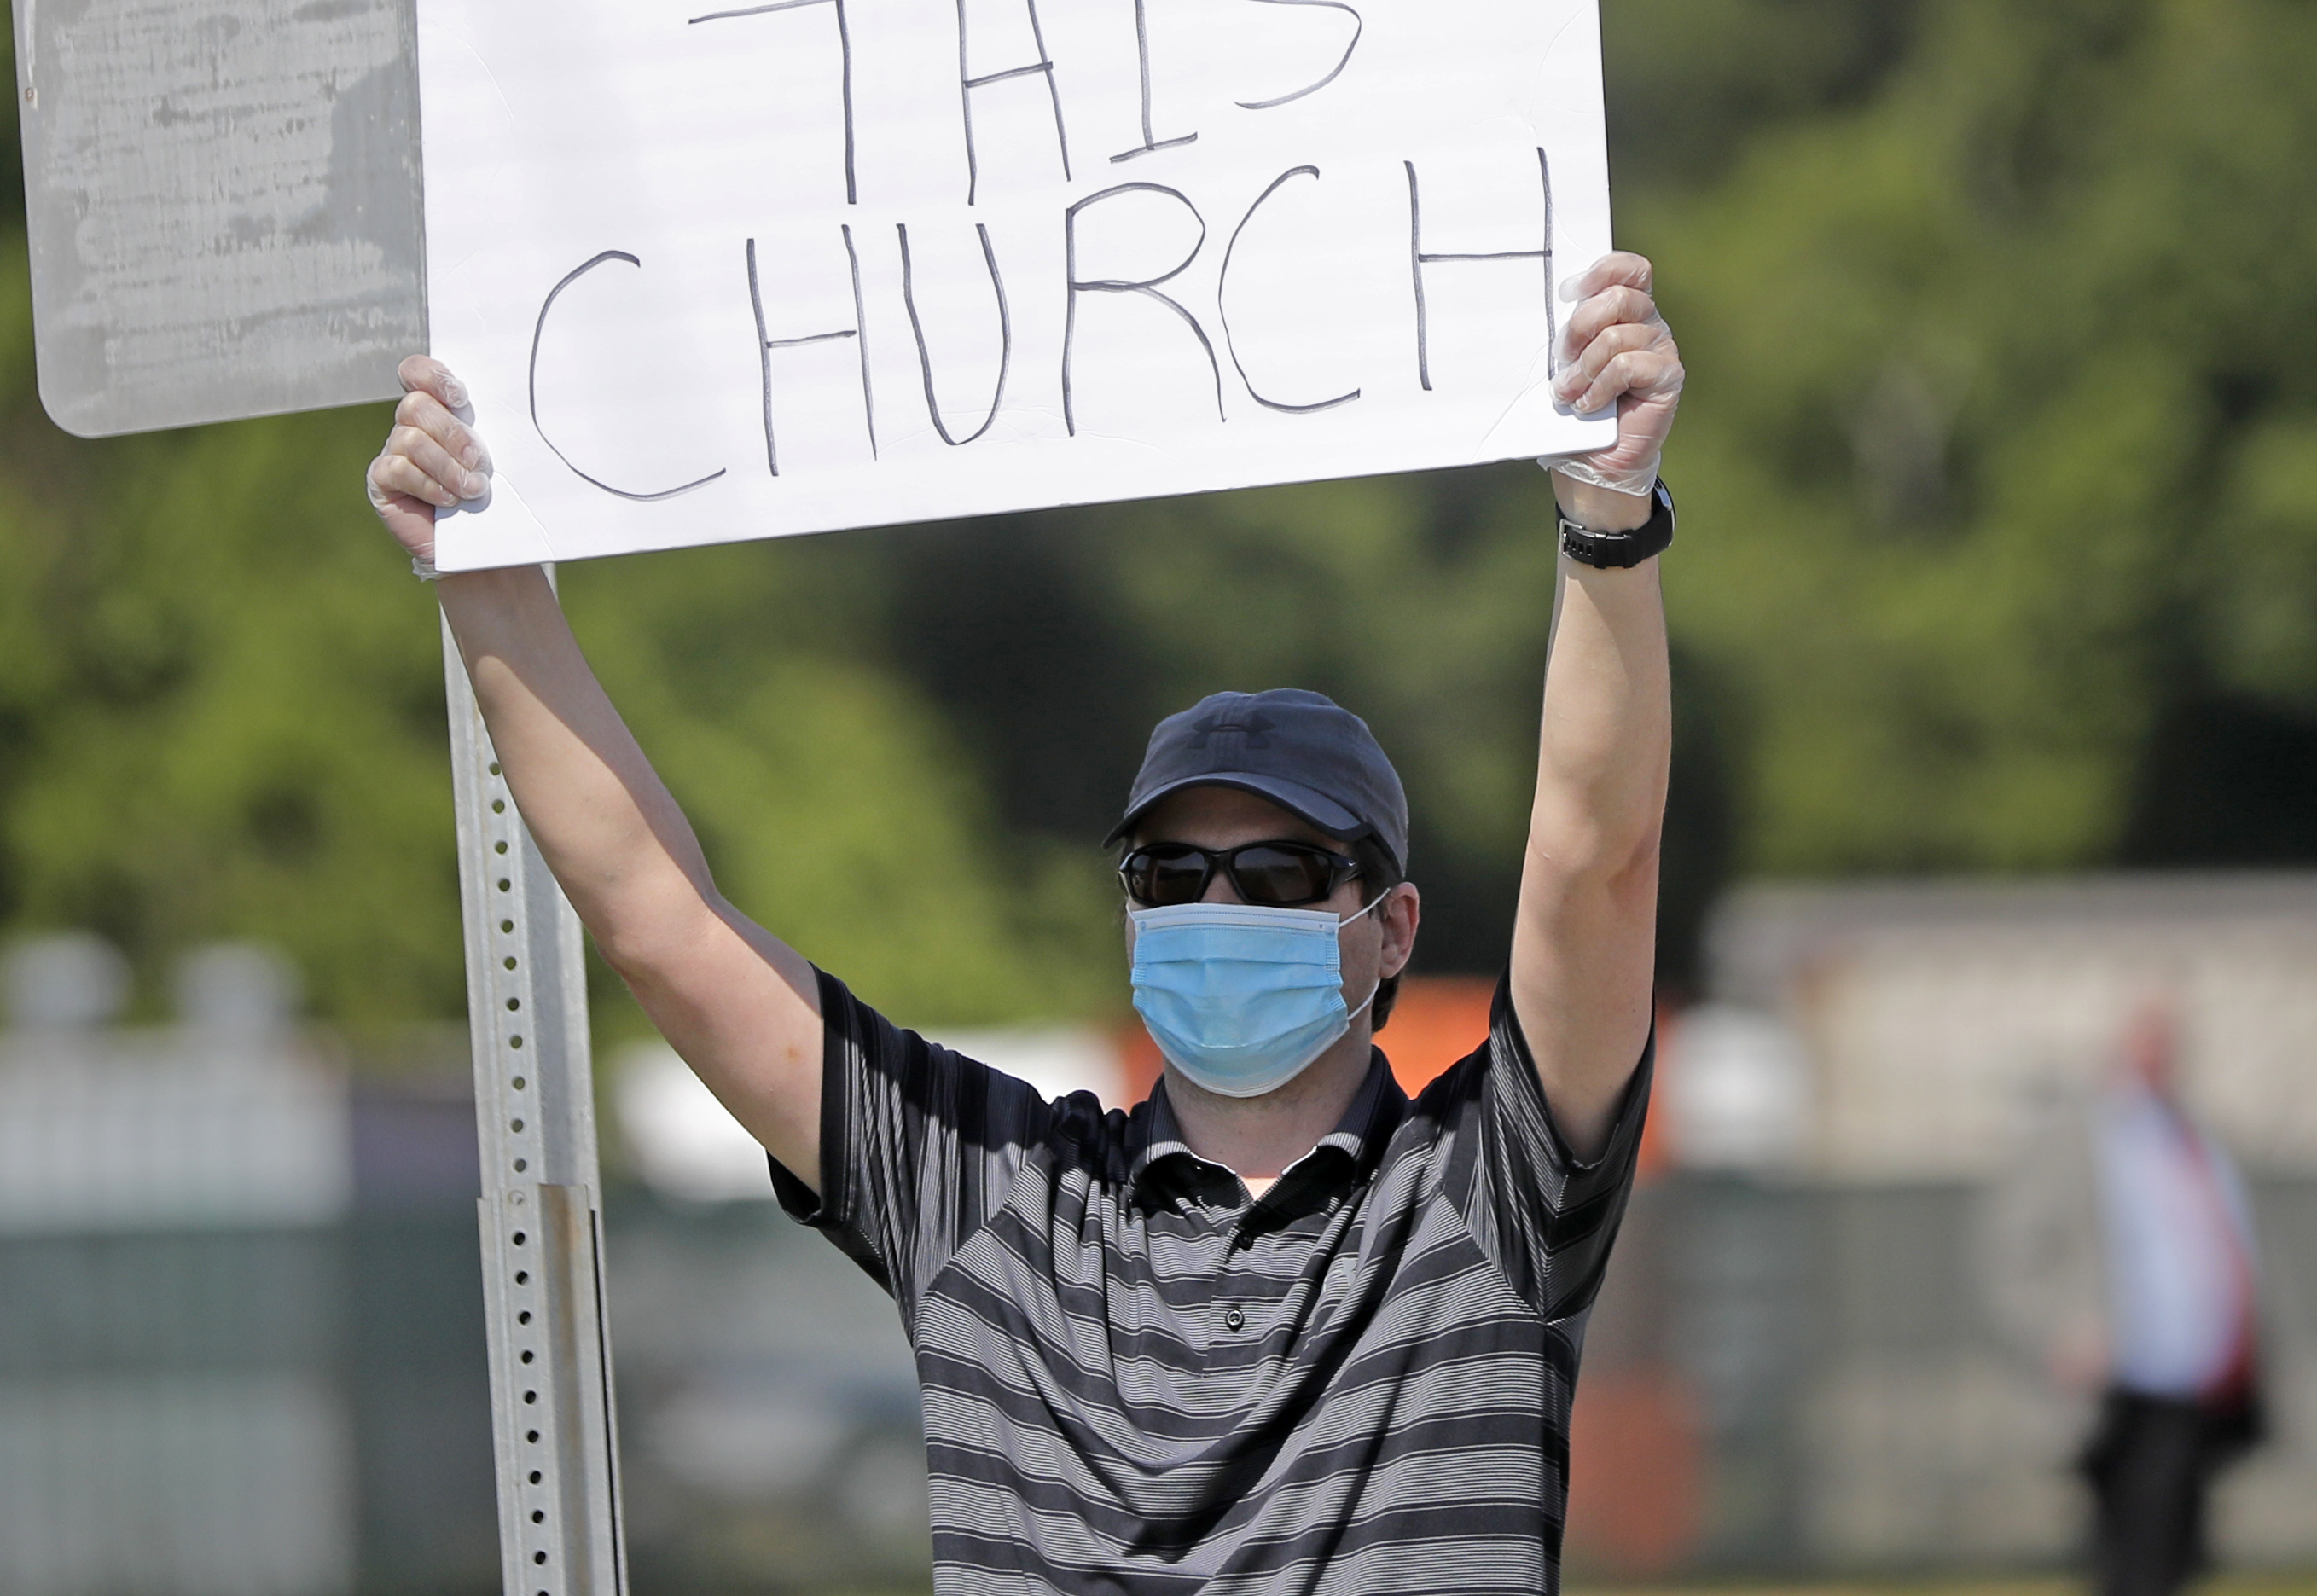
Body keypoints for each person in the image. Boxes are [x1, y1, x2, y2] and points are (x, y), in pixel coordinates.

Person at [366, 251, 1684, 1593]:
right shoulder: (989, 1194)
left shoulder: (1489, 1192)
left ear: (1391, 926)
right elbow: (661, 922)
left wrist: (1608, 513)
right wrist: (477, 562)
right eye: (1170, 875)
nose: (1215, 902)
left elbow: (1597, 860)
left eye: (1280, 874)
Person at [1979, 1002, 2267, 1596]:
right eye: (2141, 1046)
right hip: (2123, 1385)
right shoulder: (2079, 1137)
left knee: (2179, 1552)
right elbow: (2011, 1251)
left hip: (2199, 1379)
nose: (2154, 1061)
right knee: (2134, 1557)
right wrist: (2056, 1331)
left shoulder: (2194, 1138)